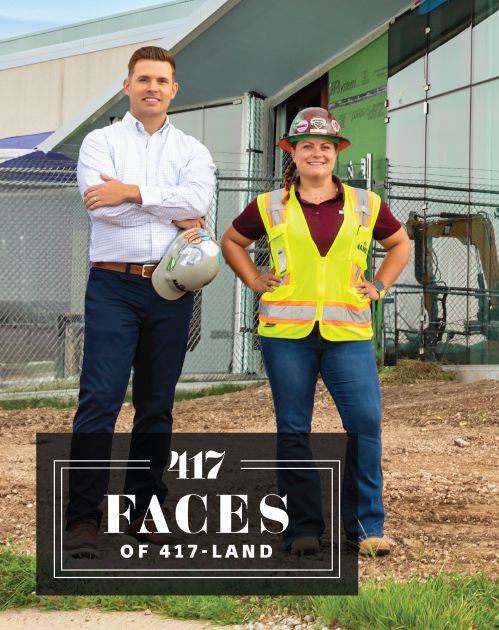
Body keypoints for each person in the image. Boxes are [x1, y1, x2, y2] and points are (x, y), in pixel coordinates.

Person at [220, 108, 411, 557]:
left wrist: (379, 284)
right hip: (286, 335)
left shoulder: (366, 204)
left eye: (325, 146)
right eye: (307, 145)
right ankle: (302, 528)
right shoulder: (270, 205)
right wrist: (253, 279)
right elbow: (231, 241)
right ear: (292, 151)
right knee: (293, 430)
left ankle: (365, 529)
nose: (317, 153)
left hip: (348, 334)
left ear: (336, 153)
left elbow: (401, 244)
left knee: (364, 424)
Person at [64, 46, 215, 558]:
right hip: (112, 286)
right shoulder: (99, 142)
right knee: (100, 402)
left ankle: (143, 514)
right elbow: (100, 211)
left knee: (156, 407)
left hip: (169, 288)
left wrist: (129, 192)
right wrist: (163, 205)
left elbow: (196, 203)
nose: (153, 87)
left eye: (162, 80)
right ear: (127, 85)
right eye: (143, 78)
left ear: (174, 89)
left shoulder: (193, 150)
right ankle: (83, 519)